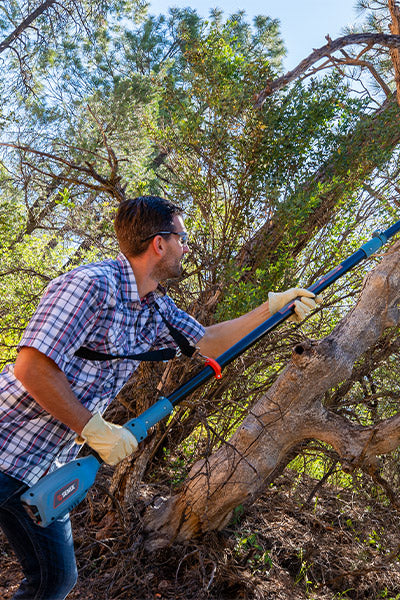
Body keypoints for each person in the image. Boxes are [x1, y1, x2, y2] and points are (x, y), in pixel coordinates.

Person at [0, 195, 319, 600]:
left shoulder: (156, 308)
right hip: (6, 443)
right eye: (183, 238)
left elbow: (209, 341)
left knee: (54, 580)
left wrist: (271, 311)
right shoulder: (90, 285)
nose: (187, 247)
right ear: (159, 243)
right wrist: (92, 427)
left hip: (45, 466)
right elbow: (32, 368)